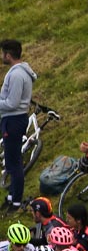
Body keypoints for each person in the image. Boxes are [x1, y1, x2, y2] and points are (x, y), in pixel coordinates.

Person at [0, 40, 35, 211]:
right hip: (13, 119)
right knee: (11, 160)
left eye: (3, 53)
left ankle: (16, 201)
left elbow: (12, 103)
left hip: (13, 120)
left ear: (8, 54)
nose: (1, 57)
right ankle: (11, 195)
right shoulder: (19, 72)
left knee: (14, 162)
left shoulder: (16, 75)